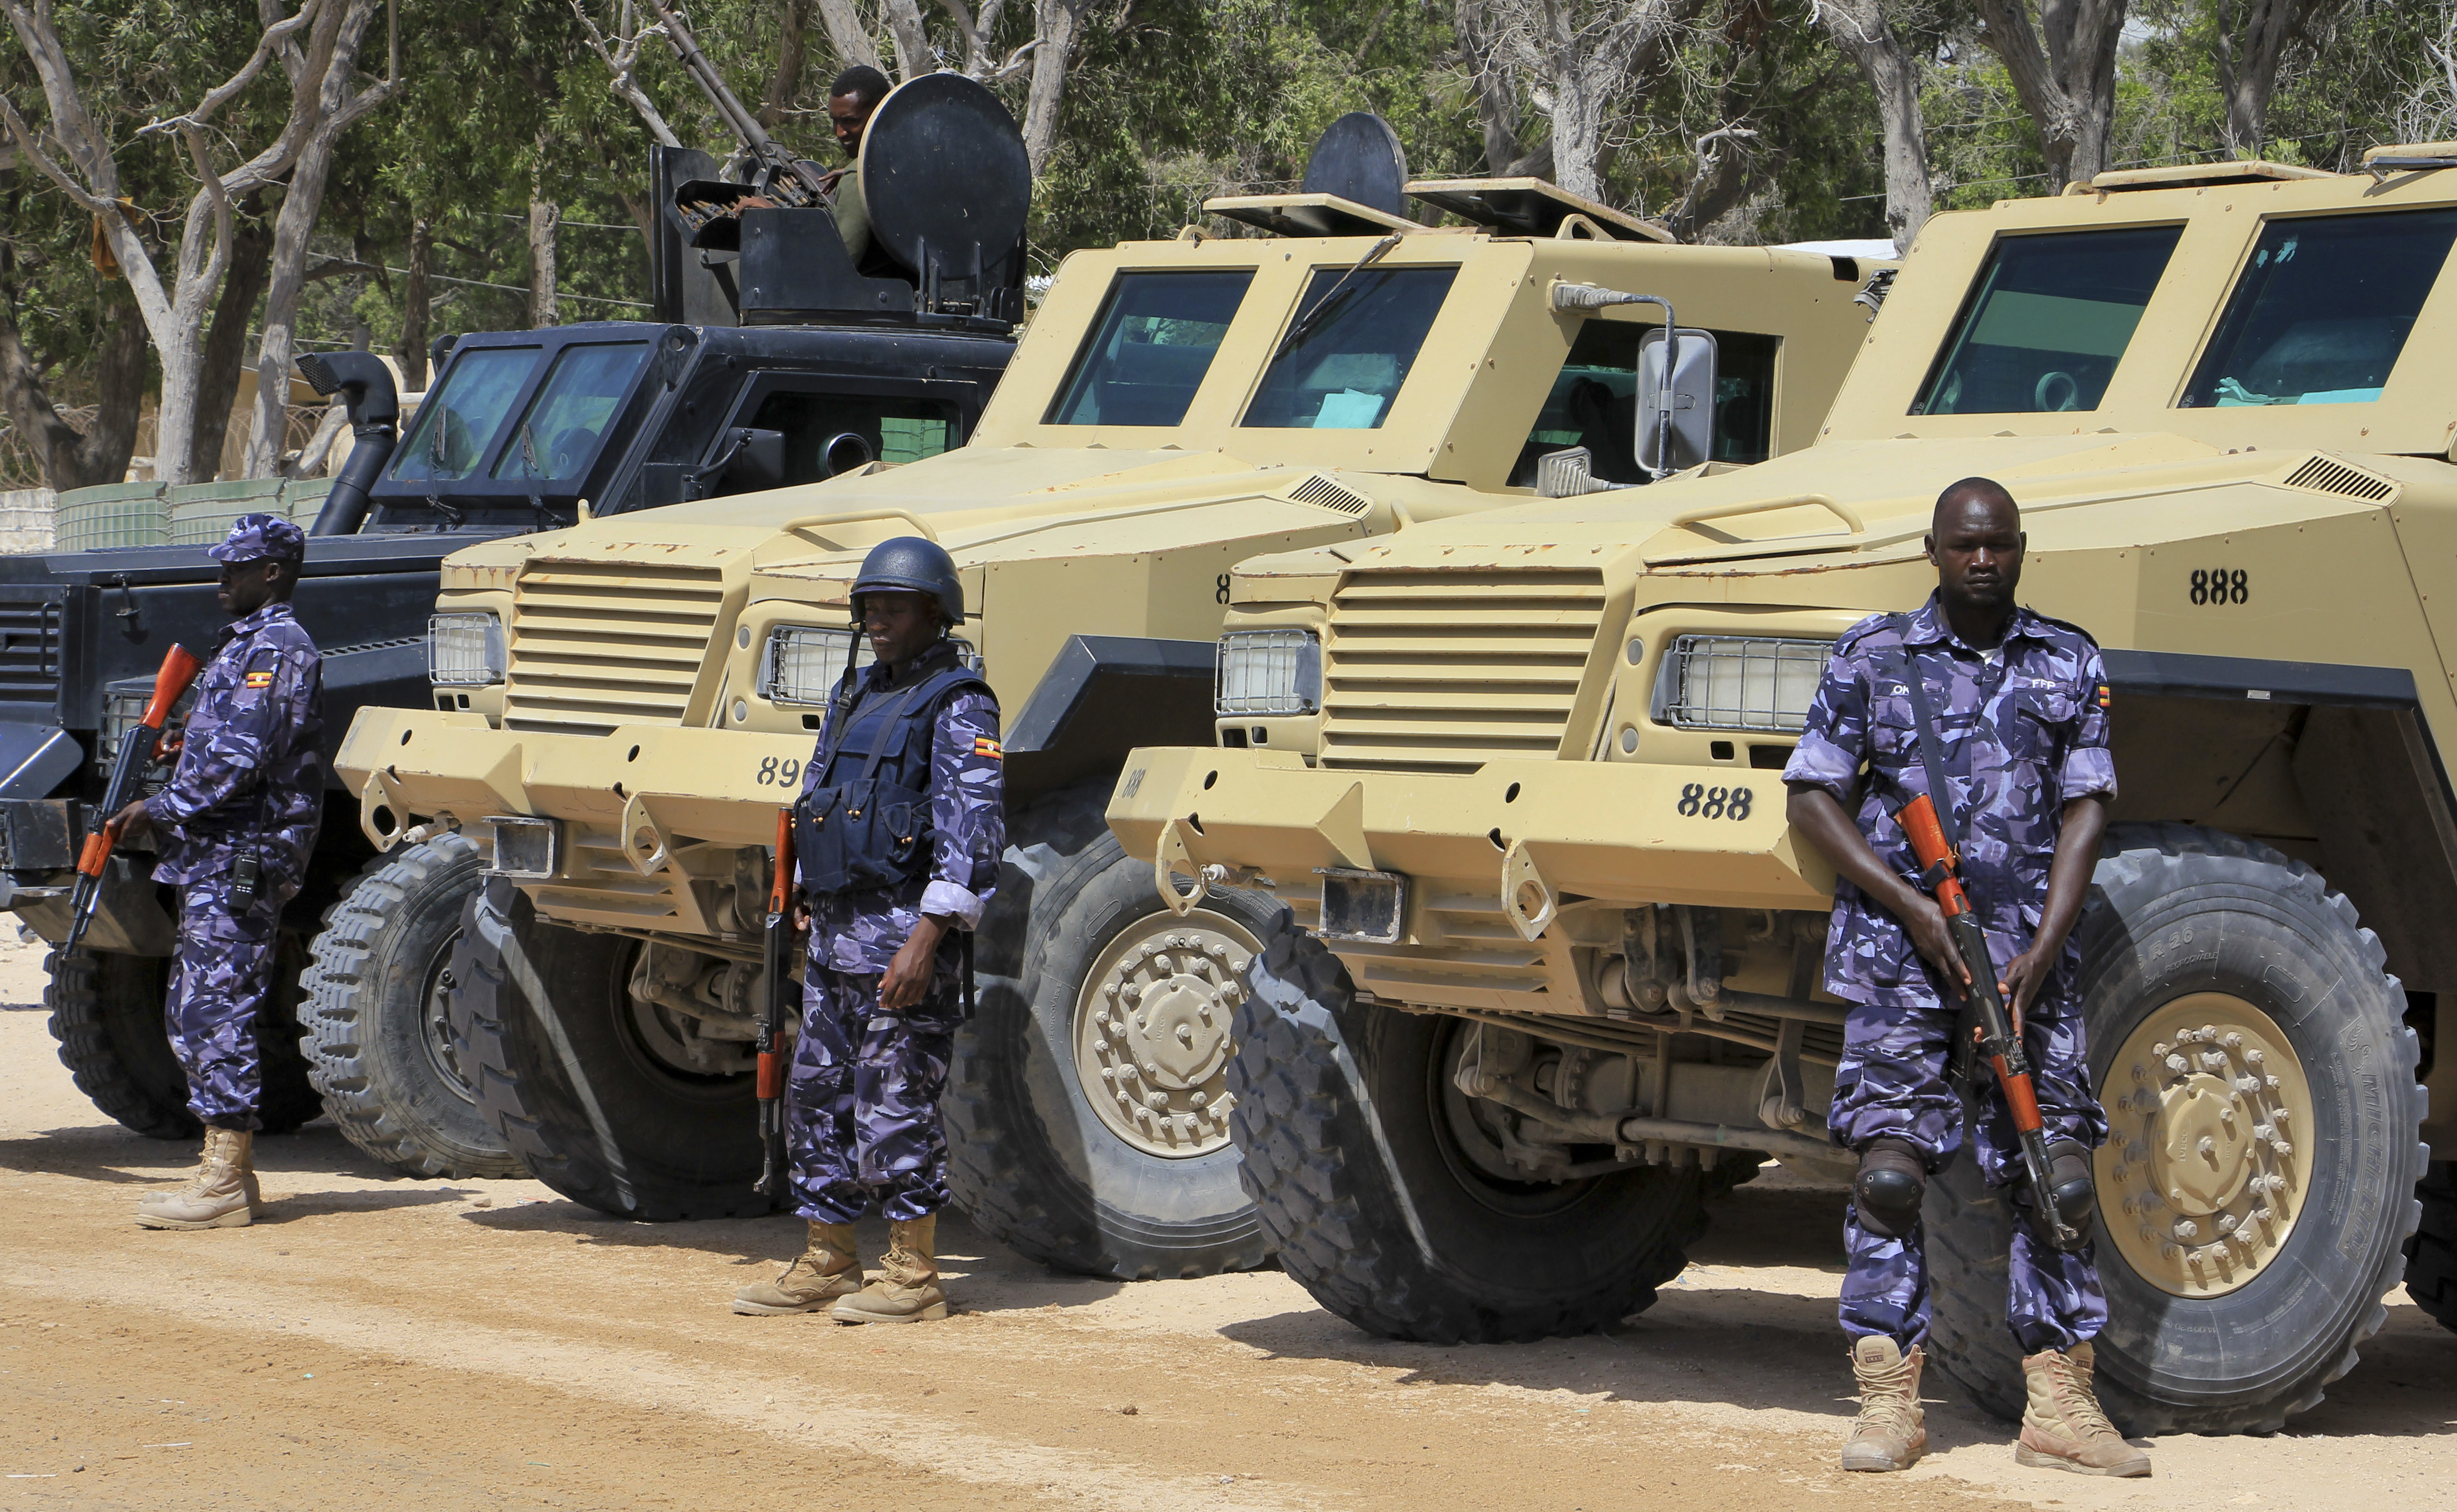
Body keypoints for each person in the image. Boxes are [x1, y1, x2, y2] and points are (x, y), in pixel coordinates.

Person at [1782, 478, 2147, 1478]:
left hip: (2028, 966)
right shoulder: (1873, 658)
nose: (1978, 560)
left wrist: (2041, 941)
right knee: (1891, 1177)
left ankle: (2059, 1407)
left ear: (2019, 548)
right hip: (1902, 960)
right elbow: (1811, 797)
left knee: (2057, 1177)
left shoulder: (2065, 659)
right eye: (1960, 545)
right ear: (1932, 550)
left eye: (1995, 545)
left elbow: (2084, 808)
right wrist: (1908, 907)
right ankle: (1887, 1400)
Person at [732, 536, 1002, 1324]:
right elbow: (819, 794)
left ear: (933, 612)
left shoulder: (960, 701)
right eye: (869, 606)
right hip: (837, 937)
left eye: (894, 606)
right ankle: (827, 1258)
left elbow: (973, 831)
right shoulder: (852, 691)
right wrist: (810, 893)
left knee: (895, 1102)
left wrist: (929, 939)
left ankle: (913, 1273)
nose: (878, 619)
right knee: (818, 1095)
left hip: (904, 943)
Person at [114, 514, 324, 1231]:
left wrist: (160, 806)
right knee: (196, 1004)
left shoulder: (276, 647)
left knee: (215, 1008)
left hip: (243, 852)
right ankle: (227, 1170)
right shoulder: (245, 644)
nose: (220, 580)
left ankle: (225, 1180)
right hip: (217, 849)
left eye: (234, 568)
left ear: (272, 570)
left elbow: (240, 759)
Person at [821, 64, 890, 267]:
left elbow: (836, 266)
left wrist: (776, 221)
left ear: (881, 114)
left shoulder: (859, 180)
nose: (839, 133)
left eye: (850, 121)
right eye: (835, 121)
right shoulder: (916, 163)